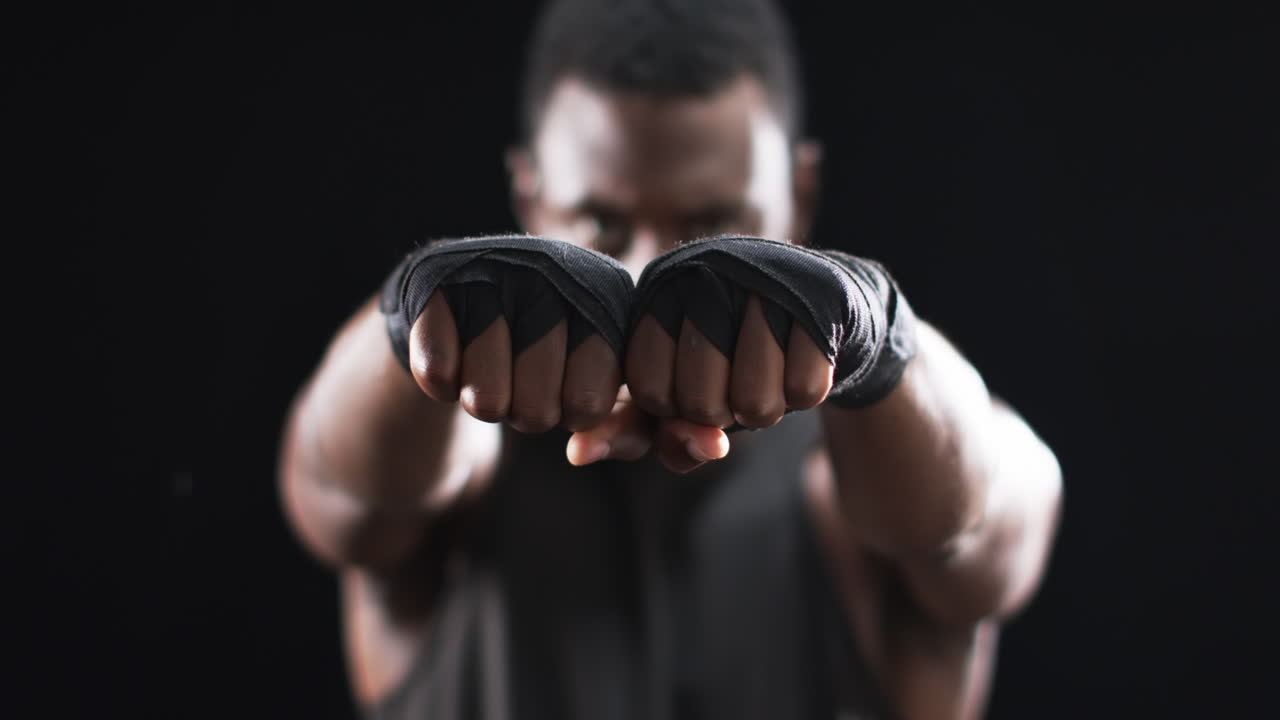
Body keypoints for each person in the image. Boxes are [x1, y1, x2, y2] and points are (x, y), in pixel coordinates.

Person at [278, 1, 1063, 718]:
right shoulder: (458, 464)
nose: (650, 279)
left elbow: (995, 511)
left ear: (801, 194)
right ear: (528, 198)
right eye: (603, 227)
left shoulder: (871, 484)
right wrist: (412, 322)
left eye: (713, 224)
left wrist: (882, 341)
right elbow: (332, 476)